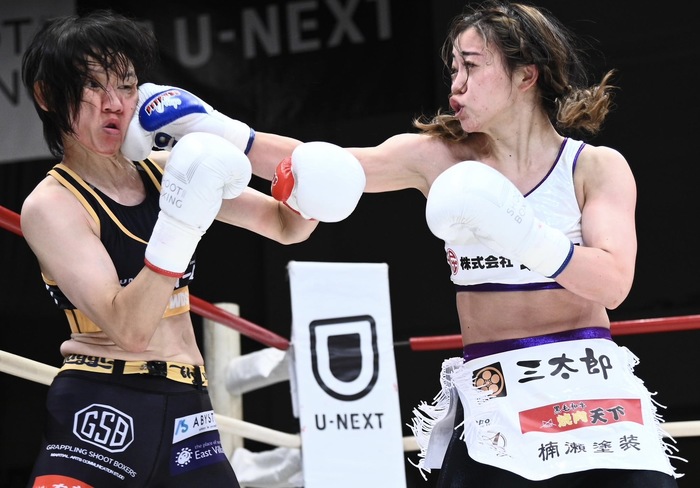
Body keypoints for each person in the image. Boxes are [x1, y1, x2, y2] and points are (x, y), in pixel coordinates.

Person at [340, 1, 682, 486]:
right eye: (454, 69)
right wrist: (233, 136)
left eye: (472, 66)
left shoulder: (593, 166)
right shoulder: (439, 159)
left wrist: (523, 234)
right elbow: (326, 169)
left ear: (526, 75)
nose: (456, 85)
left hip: (589, 384)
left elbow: (613, 284)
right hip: (496, 395)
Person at [19, 9, 364, 488]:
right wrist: (181, 221)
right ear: (47, 95)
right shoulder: (52, 205)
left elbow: (287, 226)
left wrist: (227, 133)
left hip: (189, 413)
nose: (114, 104)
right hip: (101, 409)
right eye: (92, 85)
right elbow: (130, 329)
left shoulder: (169, 169)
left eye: (126, 85)